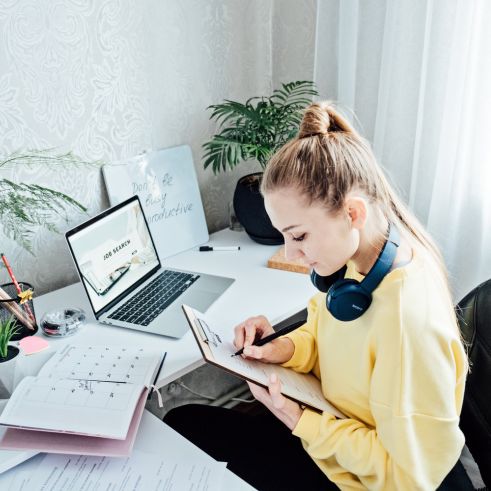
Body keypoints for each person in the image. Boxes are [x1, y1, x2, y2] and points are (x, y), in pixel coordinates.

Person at [164, 101, 472, 490]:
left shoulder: (407, 320)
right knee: (184, 421)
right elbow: (327, 332)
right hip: (335, 438)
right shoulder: (356, 263)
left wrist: (299, 420)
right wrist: (286, 348)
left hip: (370, 478)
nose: (291, 254)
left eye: (299, 236)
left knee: (190, 441)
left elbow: (406, 478)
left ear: (352, 214)